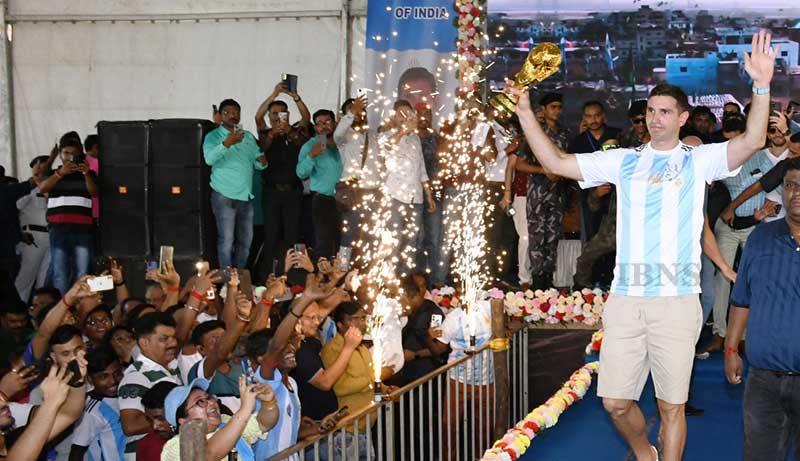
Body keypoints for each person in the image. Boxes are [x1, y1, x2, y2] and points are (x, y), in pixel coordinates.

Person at [506, 31, 778, 461]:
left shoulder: (698, 160)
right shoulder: (624, 159)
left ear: (683, 118)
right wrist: (524, 112)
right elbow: (556, 162)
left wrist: (761, 86)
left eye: (665, 112)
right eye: (651, 111)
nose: (655, 119)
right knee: (615, 403)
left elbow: (752, 141)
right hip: (626, 300)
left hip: (676, 300)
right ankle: (645, 453)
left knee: (672, 407)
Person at [723, 157, 800, 461]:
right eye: (790, 185)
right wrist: (731, 349)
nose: (797, 193)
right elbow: (742, 299)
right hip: (764, 381)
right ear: (782, 191)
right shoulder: (760, 239)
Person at [514, 92, 573, 289]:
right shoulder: (534, 132)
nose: (557, 111)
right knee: (536, 238)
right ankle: (537, 283)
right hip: (537, 194)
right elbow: (519, 164)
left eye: (559, 107)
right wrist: (543, 170)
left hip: (557, 193)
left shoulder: (564, 133)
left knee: (553, 237)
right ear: (544, 109)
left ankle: (548, 282)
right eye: (552, 107)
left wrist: (561, 172)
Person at [203, 99, 268, 269]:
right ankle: (227, 279)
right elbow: (209, 159)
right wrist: (227, 143)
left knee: (246, 242)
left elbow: (258, 163)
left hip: (245, 196)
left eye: (236, 112)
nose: (233, 115)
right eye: (228, 112)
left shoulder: (247, 136)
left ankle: (238, 276)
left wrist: (262, 162)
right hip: (224, 194)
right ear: (221, 115)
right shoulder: (213, 136)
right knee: (226, 240)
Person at [255, 82, 311, 276]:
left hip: (293, 191)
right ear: (270, 116)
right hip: (271, 192)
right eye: (274, 113)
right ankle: (268, 277)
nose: (277, 116)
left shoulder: (296, 131)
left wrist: (296, 98)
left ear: (287, 114)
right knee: (271, 235)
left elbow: (306, 118)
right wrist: (274, 94)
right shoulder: (265, 133)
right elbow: (258, 117)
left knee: (293, 235)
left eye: (281, 113)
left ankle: (293, 277)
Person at [160, 376, 279, 461]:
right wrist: (245, 409)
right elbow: (208, 454)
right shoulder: (175, 446)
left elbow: (263, 424)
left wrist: (269, 403)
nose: (211, 403)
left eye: (209, 398)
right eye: (200, 402)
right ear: (183, 421)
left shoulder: (225, 422)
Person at [380, 100, 437, 275]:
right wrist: (403, 131)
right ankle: (389, 278)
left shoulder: (415, 139)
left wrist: (428, 195)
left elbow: (421, 169)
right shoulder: (386, 135)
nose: (405, 117)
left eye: (408, 113)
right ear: (394, 117)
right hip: (395, 196)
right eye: (401, 114)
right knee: (393, 239)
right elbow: (386, 148)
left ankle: (405, 277)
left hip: (416, 198)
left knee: (412, 240)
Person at [38, 137, 98, 295]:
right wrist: (60, 173)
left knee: (82, 271)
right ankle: (62, 305)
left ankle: (80, 303)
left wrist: (86, 173)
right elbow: (42, 188)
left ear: (80, 155)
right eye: (66, 153)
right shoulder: (52, 173)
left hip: (83, 229)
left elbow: (94, 192)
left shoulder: (89, 173)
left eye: (73, 153)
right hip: (58, 228)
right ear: (60, 155)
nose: (69, 157)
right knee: (60, 271)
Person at [118, 312, 182, 457]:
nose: (173, 343)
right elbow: (130, 426)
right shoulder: (136, 375)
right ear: (144, 343)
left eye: (174, 337)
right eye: (164, 339)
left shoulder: (172, 368)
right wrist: (178, 415)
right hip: (146, 453)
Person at [0, 360, 87, 460]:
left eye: (1, 397)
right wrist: (50, 402)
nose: (4, 404)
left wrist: (76, 380)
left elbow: (67, 414)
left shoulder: (15, 438)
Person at [296, 110, 343, 261]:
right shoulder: (310, 145)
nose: (324, 126)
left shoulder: (344, 143)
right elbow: (301, 173)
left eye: (327, 122)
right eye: (319, 123)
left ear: (335, 124)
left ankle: (342, 274)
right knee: (324, 242)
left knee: (345, 241)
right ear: (315, 127)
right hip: (323, 200)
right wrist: (312, 155)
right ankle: (323, 273)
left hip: (346, 199)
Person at [69, 346, 125, 461]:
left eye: (117, 373)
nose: (113, 381)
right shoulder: (92, 411)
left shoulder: (126, 394)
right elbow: (76, 452)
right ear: (90, 379)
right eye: (104, 377)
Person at [14, 156, 52, 302]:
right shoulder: (25, 189)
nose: (42, 170)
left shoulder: (55, 187)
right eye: (39, 167)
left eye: (45, 167)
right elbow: (15, 208)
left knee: (44, 278)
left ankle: (40, 308)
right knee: (26, 276)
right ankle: (18, 307)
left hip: (51, 236)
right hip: (33, 236)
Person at [135, 381, 177, 460]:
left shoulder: (200, 440)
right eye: (149, 420)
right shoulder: (145, 445)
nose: (154, 426)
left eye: (161, 418)